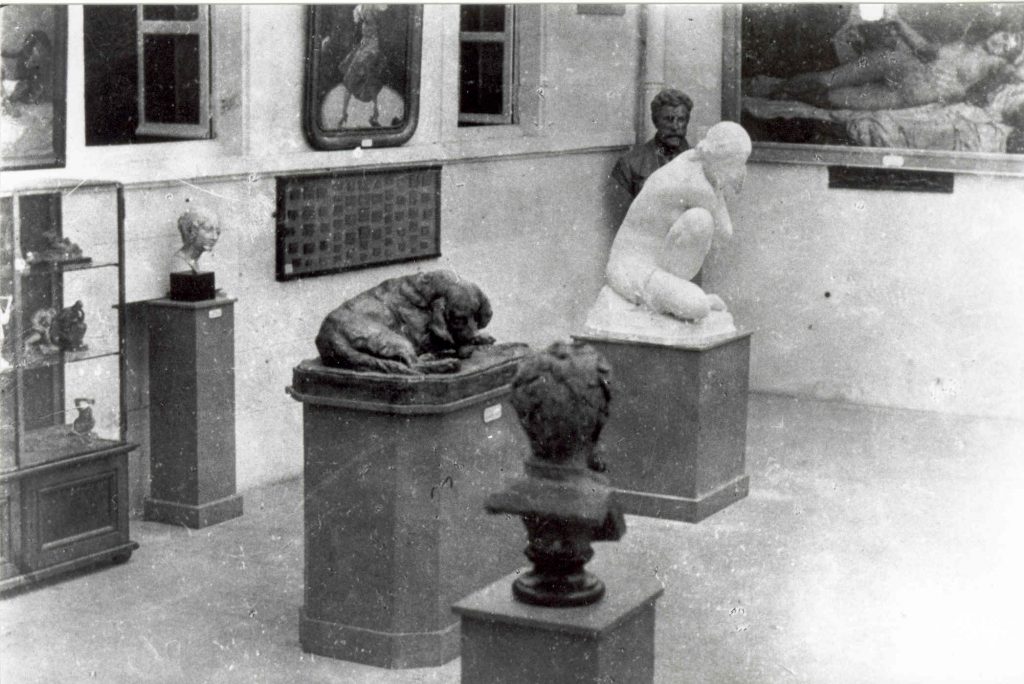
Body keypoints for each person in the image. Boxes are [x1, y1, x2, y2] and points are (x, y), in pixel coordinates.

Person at [605, 121, 751, 323]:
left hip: (648, 262)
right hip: (630, 268)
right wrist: (722, 187)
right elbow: (725, 232)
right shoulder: (697, 186)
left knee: (699, 219)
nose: (739, 170)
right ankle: (674, 297)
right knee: (701, 221)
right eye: (736, 164)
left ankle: (675, 292)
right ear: (720, 159)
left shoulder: (691, 159)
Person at [775, 18, 1024, 111]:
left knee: (833, 99)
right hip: (898, 64)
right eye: (1005, 37)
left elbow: (1014, 73)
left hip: (906, 94)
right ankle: (777, 89)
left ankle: (783, 93)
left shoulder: (995, 64)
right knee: (825, 80)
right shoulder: (962, 44)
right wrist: (900, 24)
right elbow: (926, 50)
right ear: (998, 30)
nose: (1003, 44)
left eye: (1009, 47)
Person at [611, 88, 694, 199]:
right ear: (655, 121)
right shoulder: (628, 165)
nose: (675, 127)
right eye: (668, 119)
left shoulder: (700, 161)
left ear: (687, 122)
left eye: (681, 119)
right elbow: (623, 214)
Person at [175, 207, 221, 273]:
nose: (215, 237)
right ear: (191, 231)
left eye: (217, 232)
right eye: (208, 230)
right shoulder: (180, 263)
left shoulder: (194, 261)